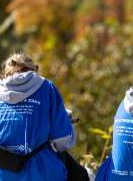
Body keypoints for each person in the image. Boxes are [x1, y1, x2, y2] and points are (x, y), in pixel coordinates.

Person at [0, 53, 76, 181]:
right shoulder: (47, 88)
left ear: (5, 73)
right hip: (43, 173)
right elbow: (63, 141)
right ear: (35, 69)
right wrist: (67, 121)